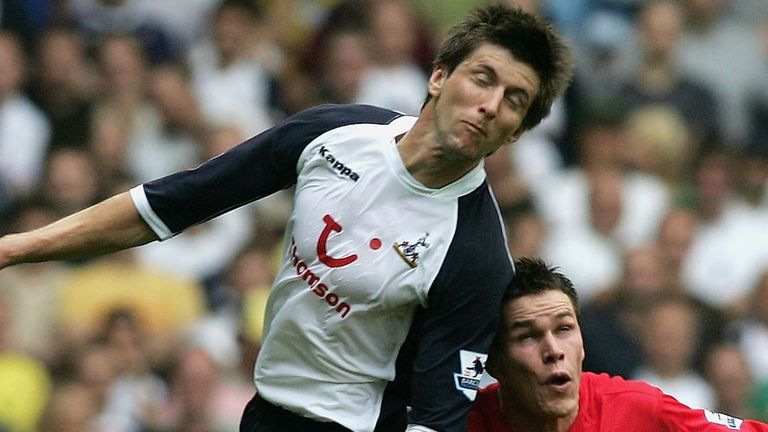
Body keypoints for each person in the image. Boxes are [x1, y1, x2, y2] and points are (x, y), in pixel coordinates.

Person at [0, 5, 573, 432]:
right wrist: (15, 247)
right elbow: (171, 203)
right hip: (266, 411)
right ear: (440, 76)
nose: (492, 104)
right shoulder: (336, 134)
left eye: (516, 100)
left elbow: (437, 418)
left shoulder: (474, 255)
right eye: (483, 78)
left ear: (518, 131)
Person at [467, 257, 768, 431]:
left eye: (564, 329)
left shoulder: (637, 410)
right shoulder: (458, 421)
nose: (554, 350)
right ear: (495, 361)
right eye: (528, 336)